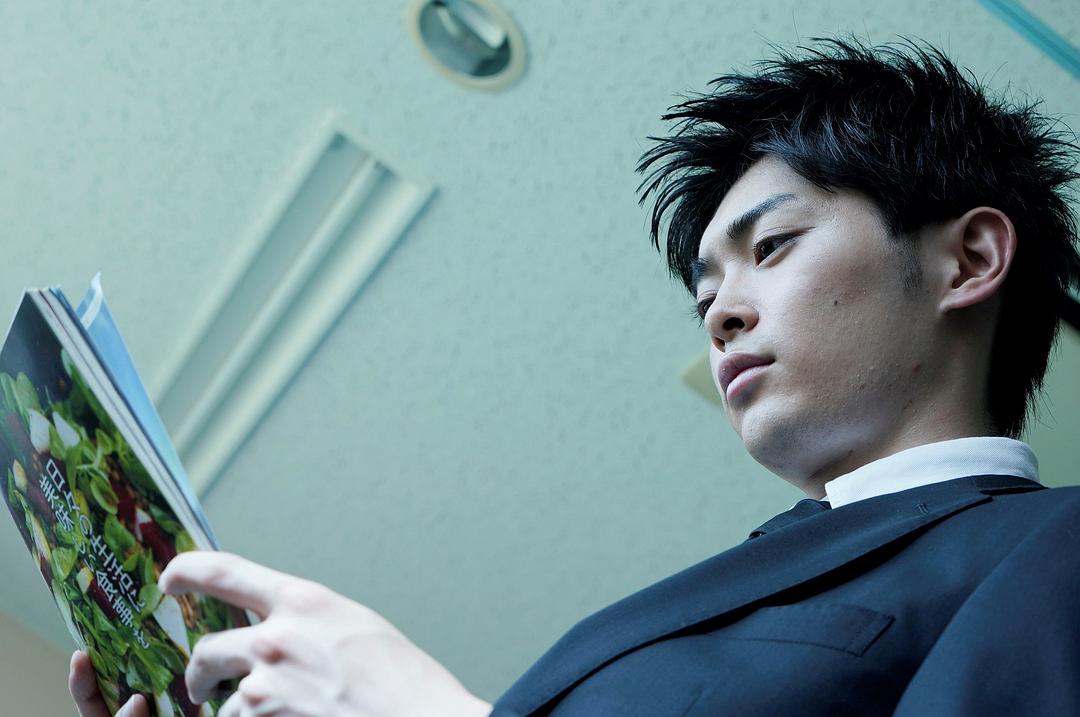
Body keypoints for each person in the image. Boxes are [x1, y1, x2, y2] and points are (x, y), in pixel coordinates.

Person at [70, 36, 1080, 717]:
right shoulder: (749, 571)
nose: (721, 313)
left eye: (771, 247)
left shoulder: (1053, 548)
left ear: (968, 259)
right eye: (705, 294)